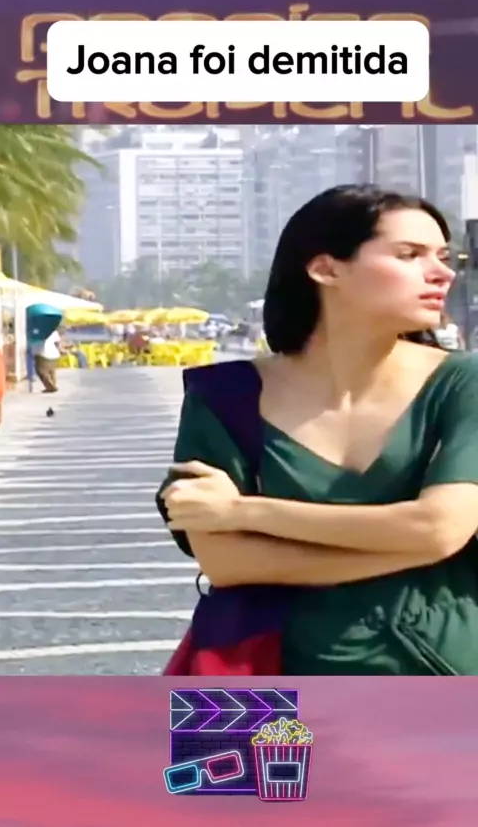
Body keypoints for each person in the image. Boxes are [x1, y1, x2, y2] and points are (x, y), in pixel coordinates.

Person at [160, 185, 478, 675]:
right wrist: (415, 547)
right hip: (264, 680)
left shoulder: (464, 383)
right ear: (326, 269)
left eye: (442, 255)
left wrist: (242, 511)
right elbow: (225, 562)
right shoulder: (223, 396)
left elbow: (439, 527)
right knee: (198, 735)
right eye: (409, 255)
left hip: (438, 669)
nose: (442, 272)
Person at [33, 327, 66, 392]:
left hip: (43, 353)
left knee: (41, 371)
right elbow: (58, 343)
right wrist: (61, 350)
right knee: (51, 371)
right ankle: (52, 386)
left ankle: (51, 387)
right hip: (54, 354)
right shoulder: (52, 331)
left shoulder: (36, 330)